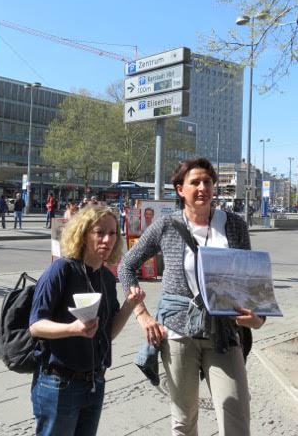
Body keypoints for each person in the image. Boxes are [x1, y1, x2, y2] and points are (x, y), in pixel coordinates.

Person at [118, 157, 265, 436]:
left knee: (237, 419)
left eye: (207, 181)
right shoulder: (167, 225)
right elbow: (126, 266)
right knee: (184, 422)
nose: (202, 187)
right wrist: (142, 314)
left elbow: (250, 282)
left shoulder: (234, 226)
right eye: (194, 182)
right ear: (179, 190)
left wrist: (259, 319)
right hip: (177, 333)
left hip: (223, 332)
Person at [29, 205, 145, 435]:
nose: (107, 239)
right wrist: (72, 328)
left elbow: (107, 333)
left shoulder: (105, 277)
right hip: (59, 384)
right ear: (83, 234)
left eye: (112, 233)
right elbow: (36, 326)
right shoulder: (61, 270)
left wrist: (130, 305)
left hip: (95, 382)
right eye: (99, 232)